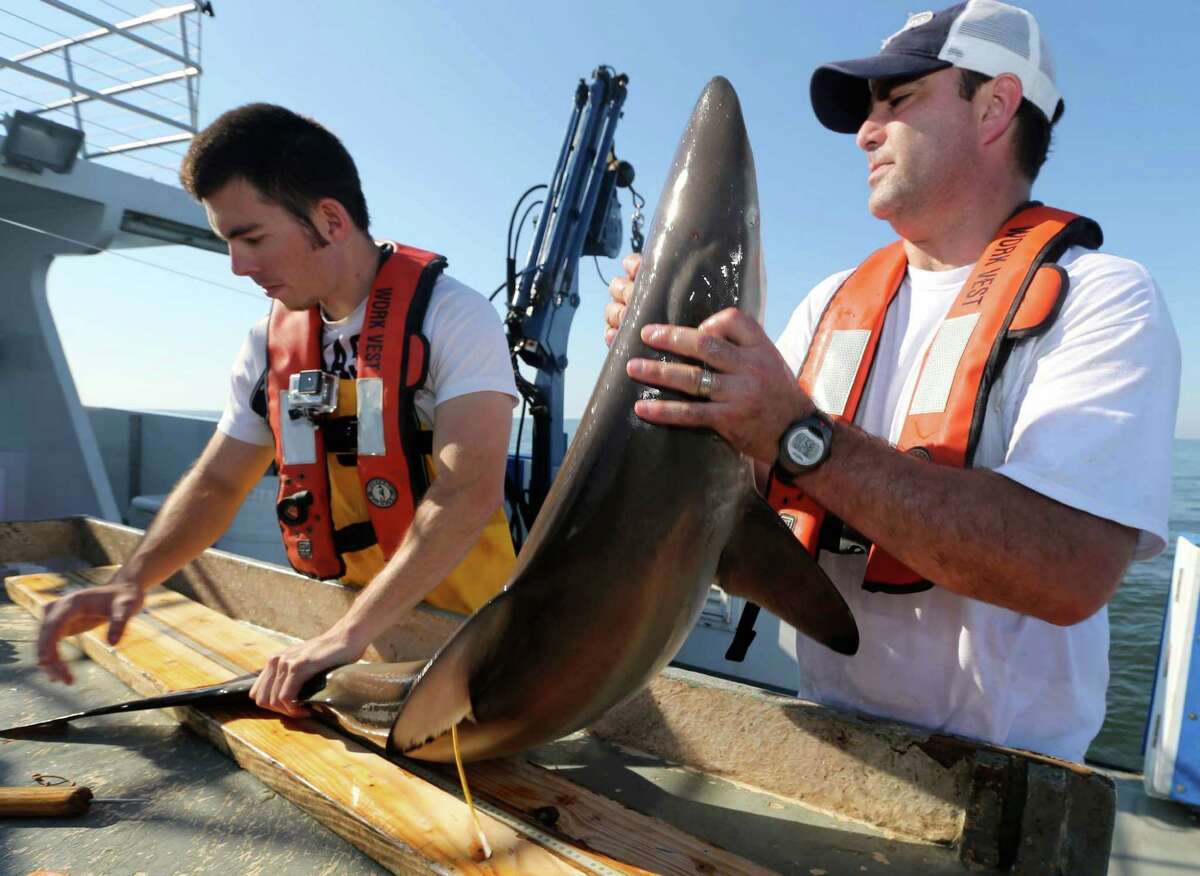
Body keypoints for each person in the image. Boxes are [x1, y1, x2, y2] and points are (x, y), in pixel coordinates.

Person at [606, 1, 1179, 762]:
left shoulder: (1104, 296)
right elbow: (736, 493)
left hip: (1004, 776)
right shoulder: (829, 304)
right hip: (820, 740)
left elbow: (1068, 568)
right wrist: (673, 374)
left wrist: (798, 435)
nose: (864, 132)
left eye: (898, 100)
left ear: (996, 107)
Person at [36, 104, 519, 718]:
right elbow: (217, 483)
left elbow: (467, 491)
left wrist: (345, 638)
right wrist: (129, 581)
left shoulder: (453, 317)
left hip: (466, 640)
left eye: (252, 238)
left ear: (330, 218)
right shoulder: (268, 347)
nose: (238, 265)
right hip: (346, 636)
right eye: (228, 243)